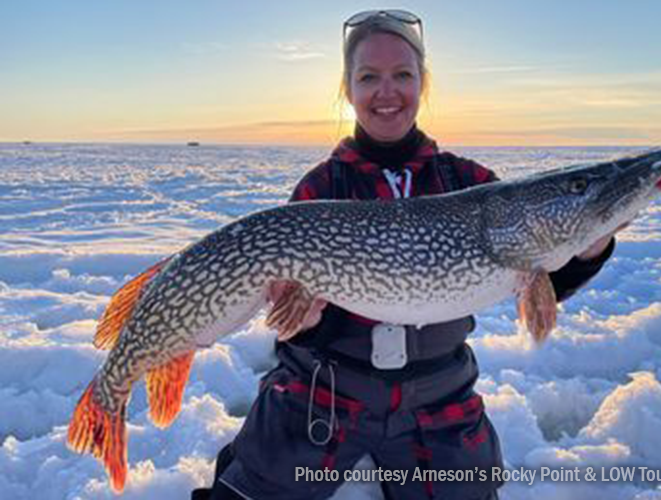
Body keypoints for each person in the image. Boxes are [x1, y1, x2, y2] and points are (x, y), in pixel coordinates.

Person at [193, 9, 618, 500]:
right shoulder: (321, 187)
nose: (386, 92)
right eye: (369, 77)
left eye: (402, 75)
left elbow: (541, 273)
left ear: (423, 84)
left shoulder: (470, 184)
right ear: (347, 89)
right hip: (323, 394)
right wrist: (306, 321)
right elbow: (296, 321)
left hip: (438, 399)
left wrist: (590, 247)